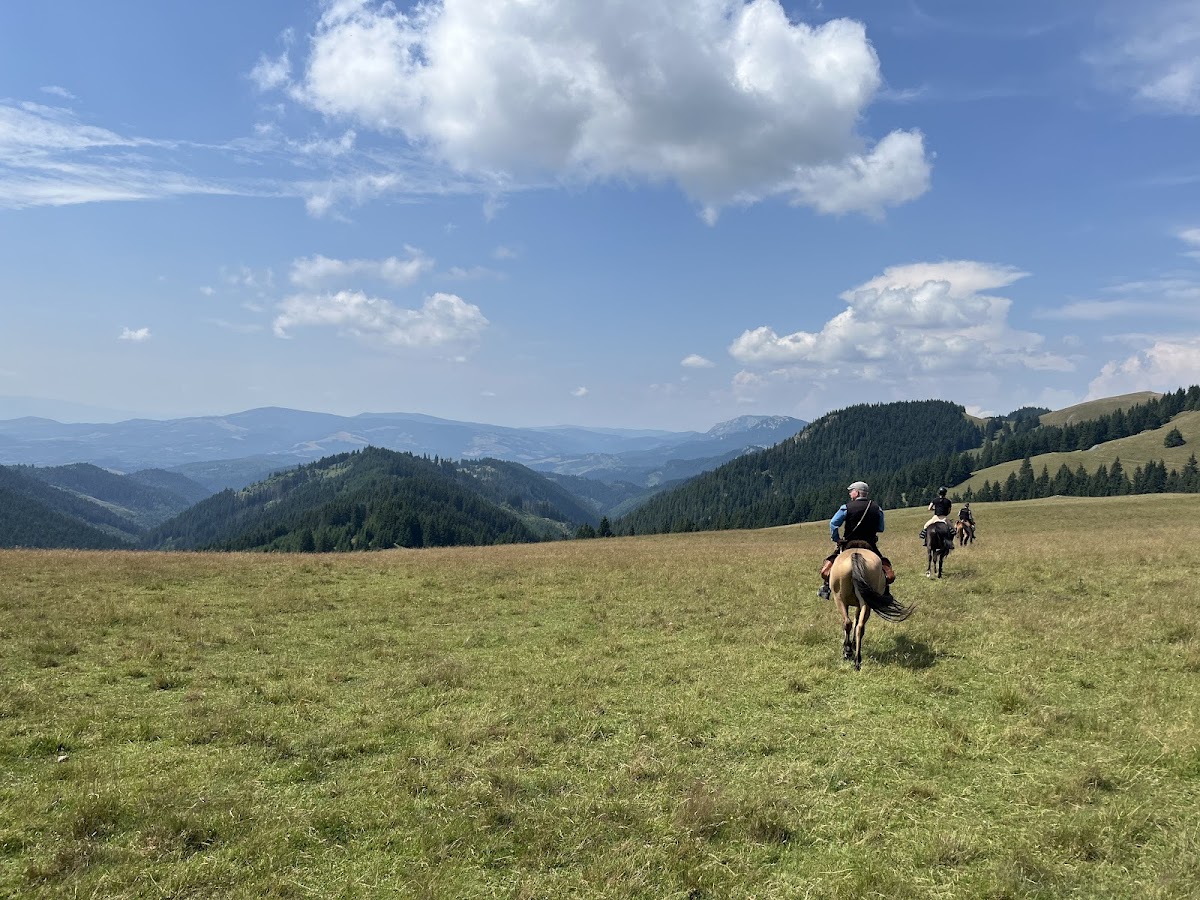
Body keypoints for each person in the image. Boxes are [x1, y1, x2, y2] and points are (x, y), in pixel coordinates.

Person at [817, 481, 894, 600]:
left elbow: (833, 524)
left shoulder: (846, 507)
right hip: (869, 544)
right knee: (884, 567)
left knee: (828, 567)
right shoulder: (877, 508)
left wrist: (836, 539)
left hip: (849, 543)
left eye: (851, 491)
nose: (849, 494)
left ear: (856, 492)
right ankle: (885, 591)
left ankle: (826, 587)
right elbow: (881, 528)